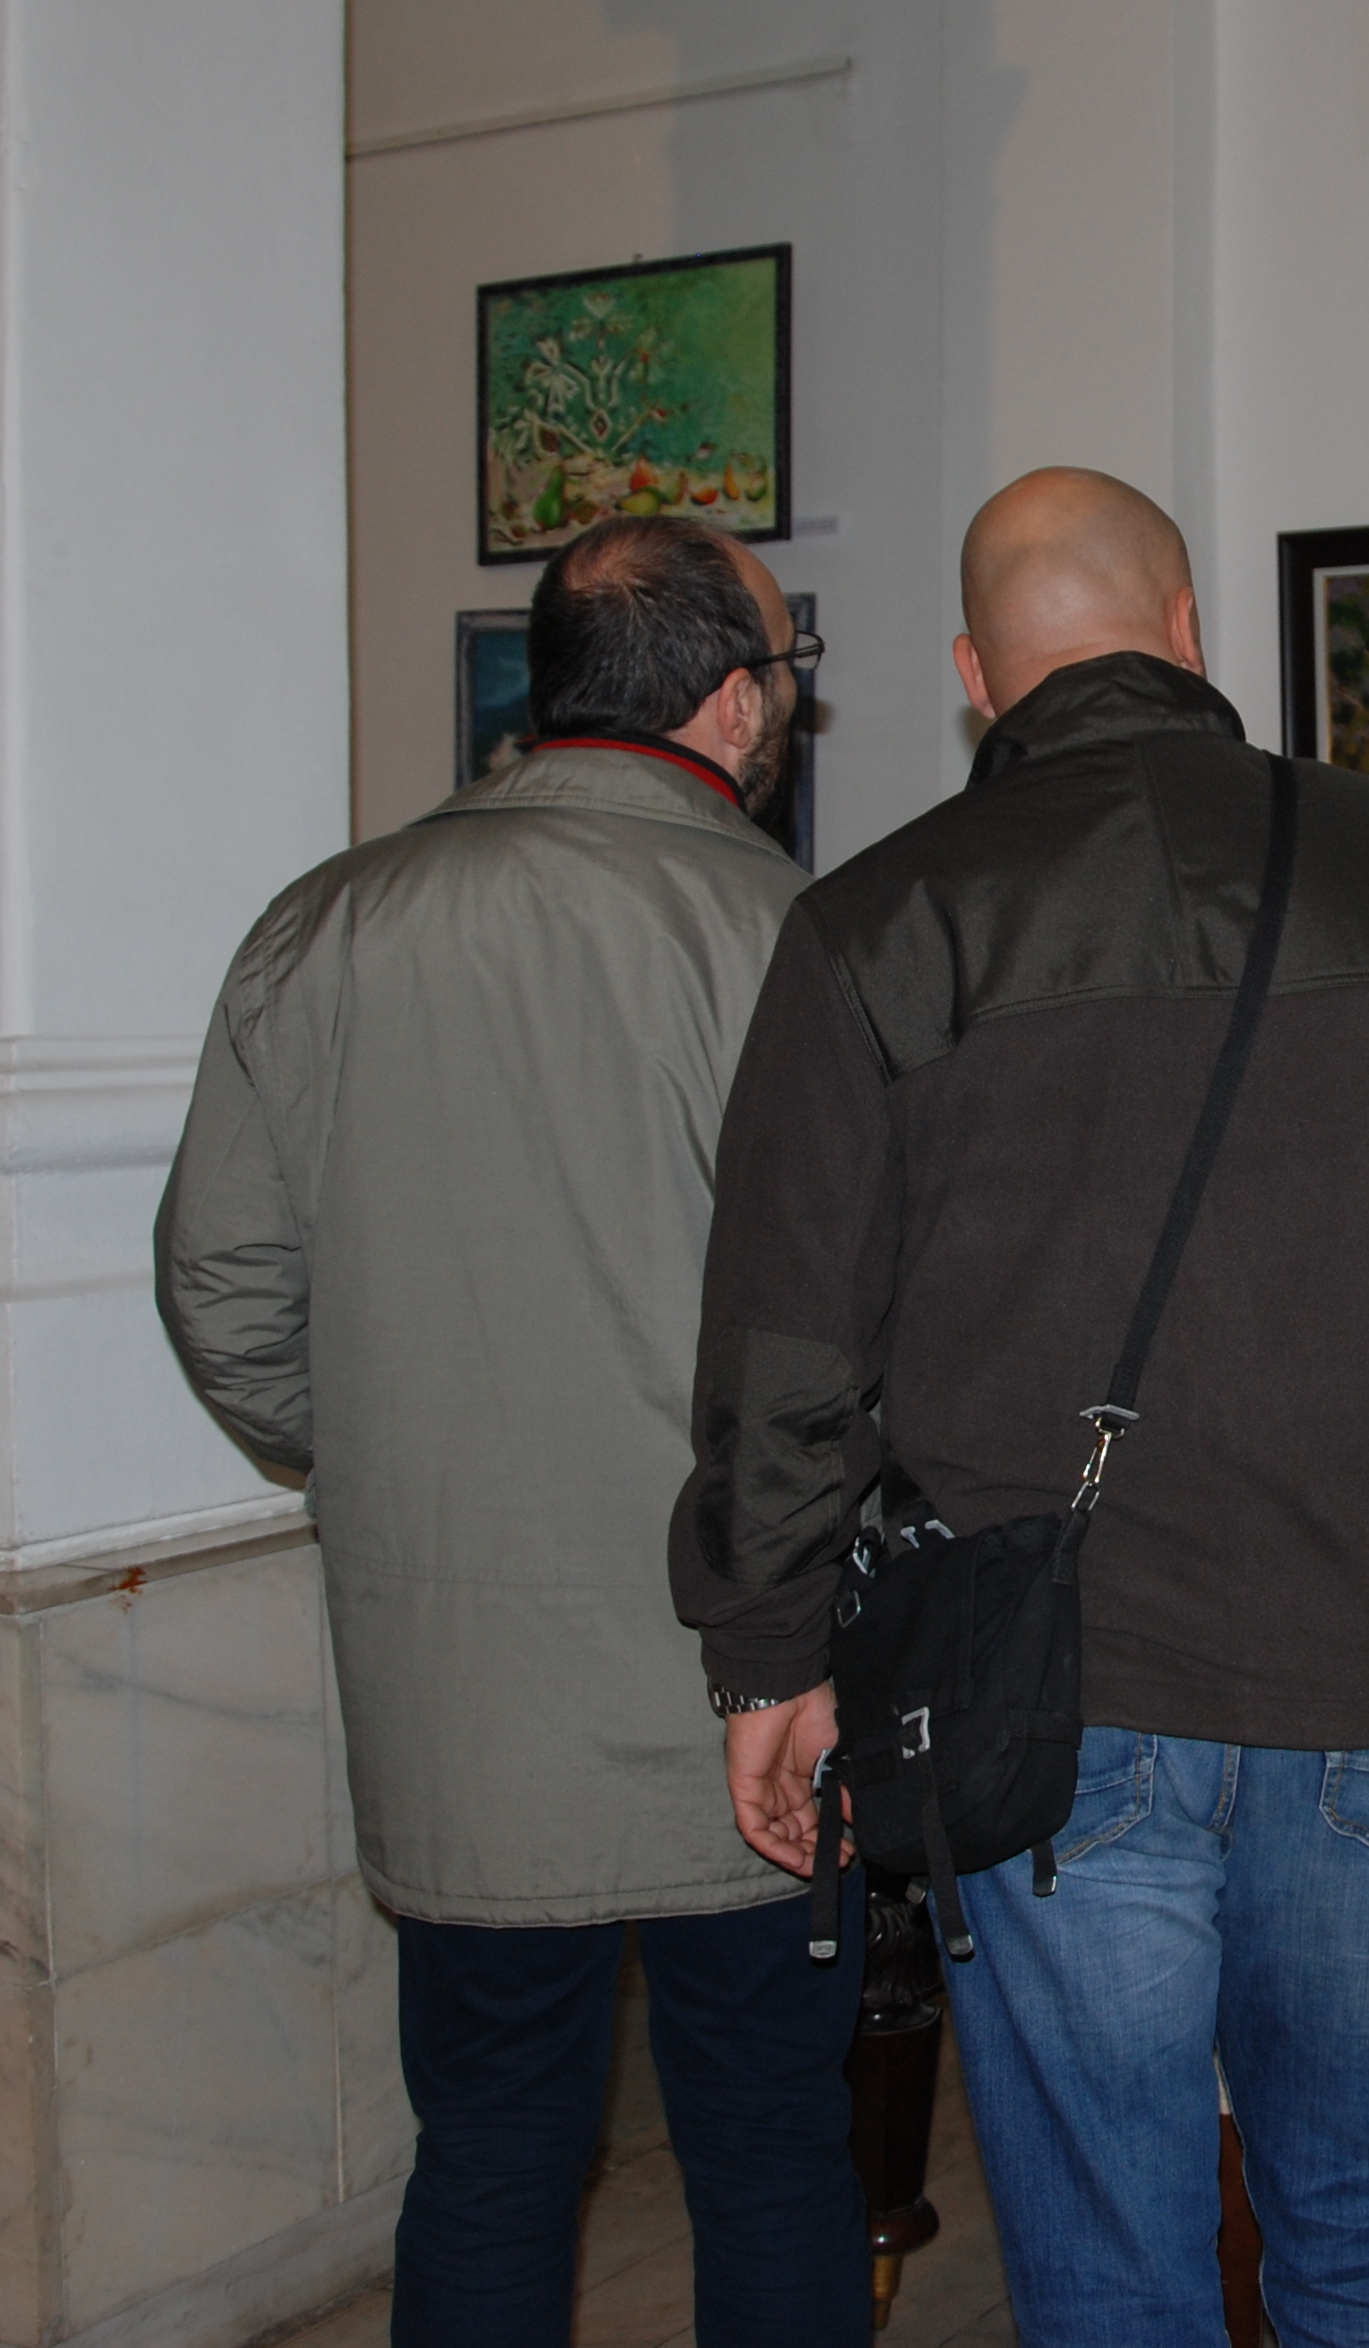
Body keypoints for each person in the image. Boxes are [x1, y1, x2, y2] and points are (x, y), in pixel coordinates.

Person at [672, 467, 1369, 2345]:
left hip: (1053, 1683)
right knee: (1366, 2182)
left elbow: (790, 1346)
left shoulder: (878, 921)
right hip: (1360, 1642)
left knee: (1114, 2236)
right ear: (1188, 628)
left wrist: (767, 1651)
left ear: (973, 675)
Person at [156, 516, 864, 2348]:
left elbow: (223, 1286)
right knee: (775, 2149)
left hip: (458, 1677)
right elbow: (889, 1326)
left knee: (484, 2154)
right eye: (787, 672)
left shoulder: (326, 927)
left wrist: (391, 1452)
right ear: (733, 704)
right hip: (756, 1679)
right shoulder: (800, 940)